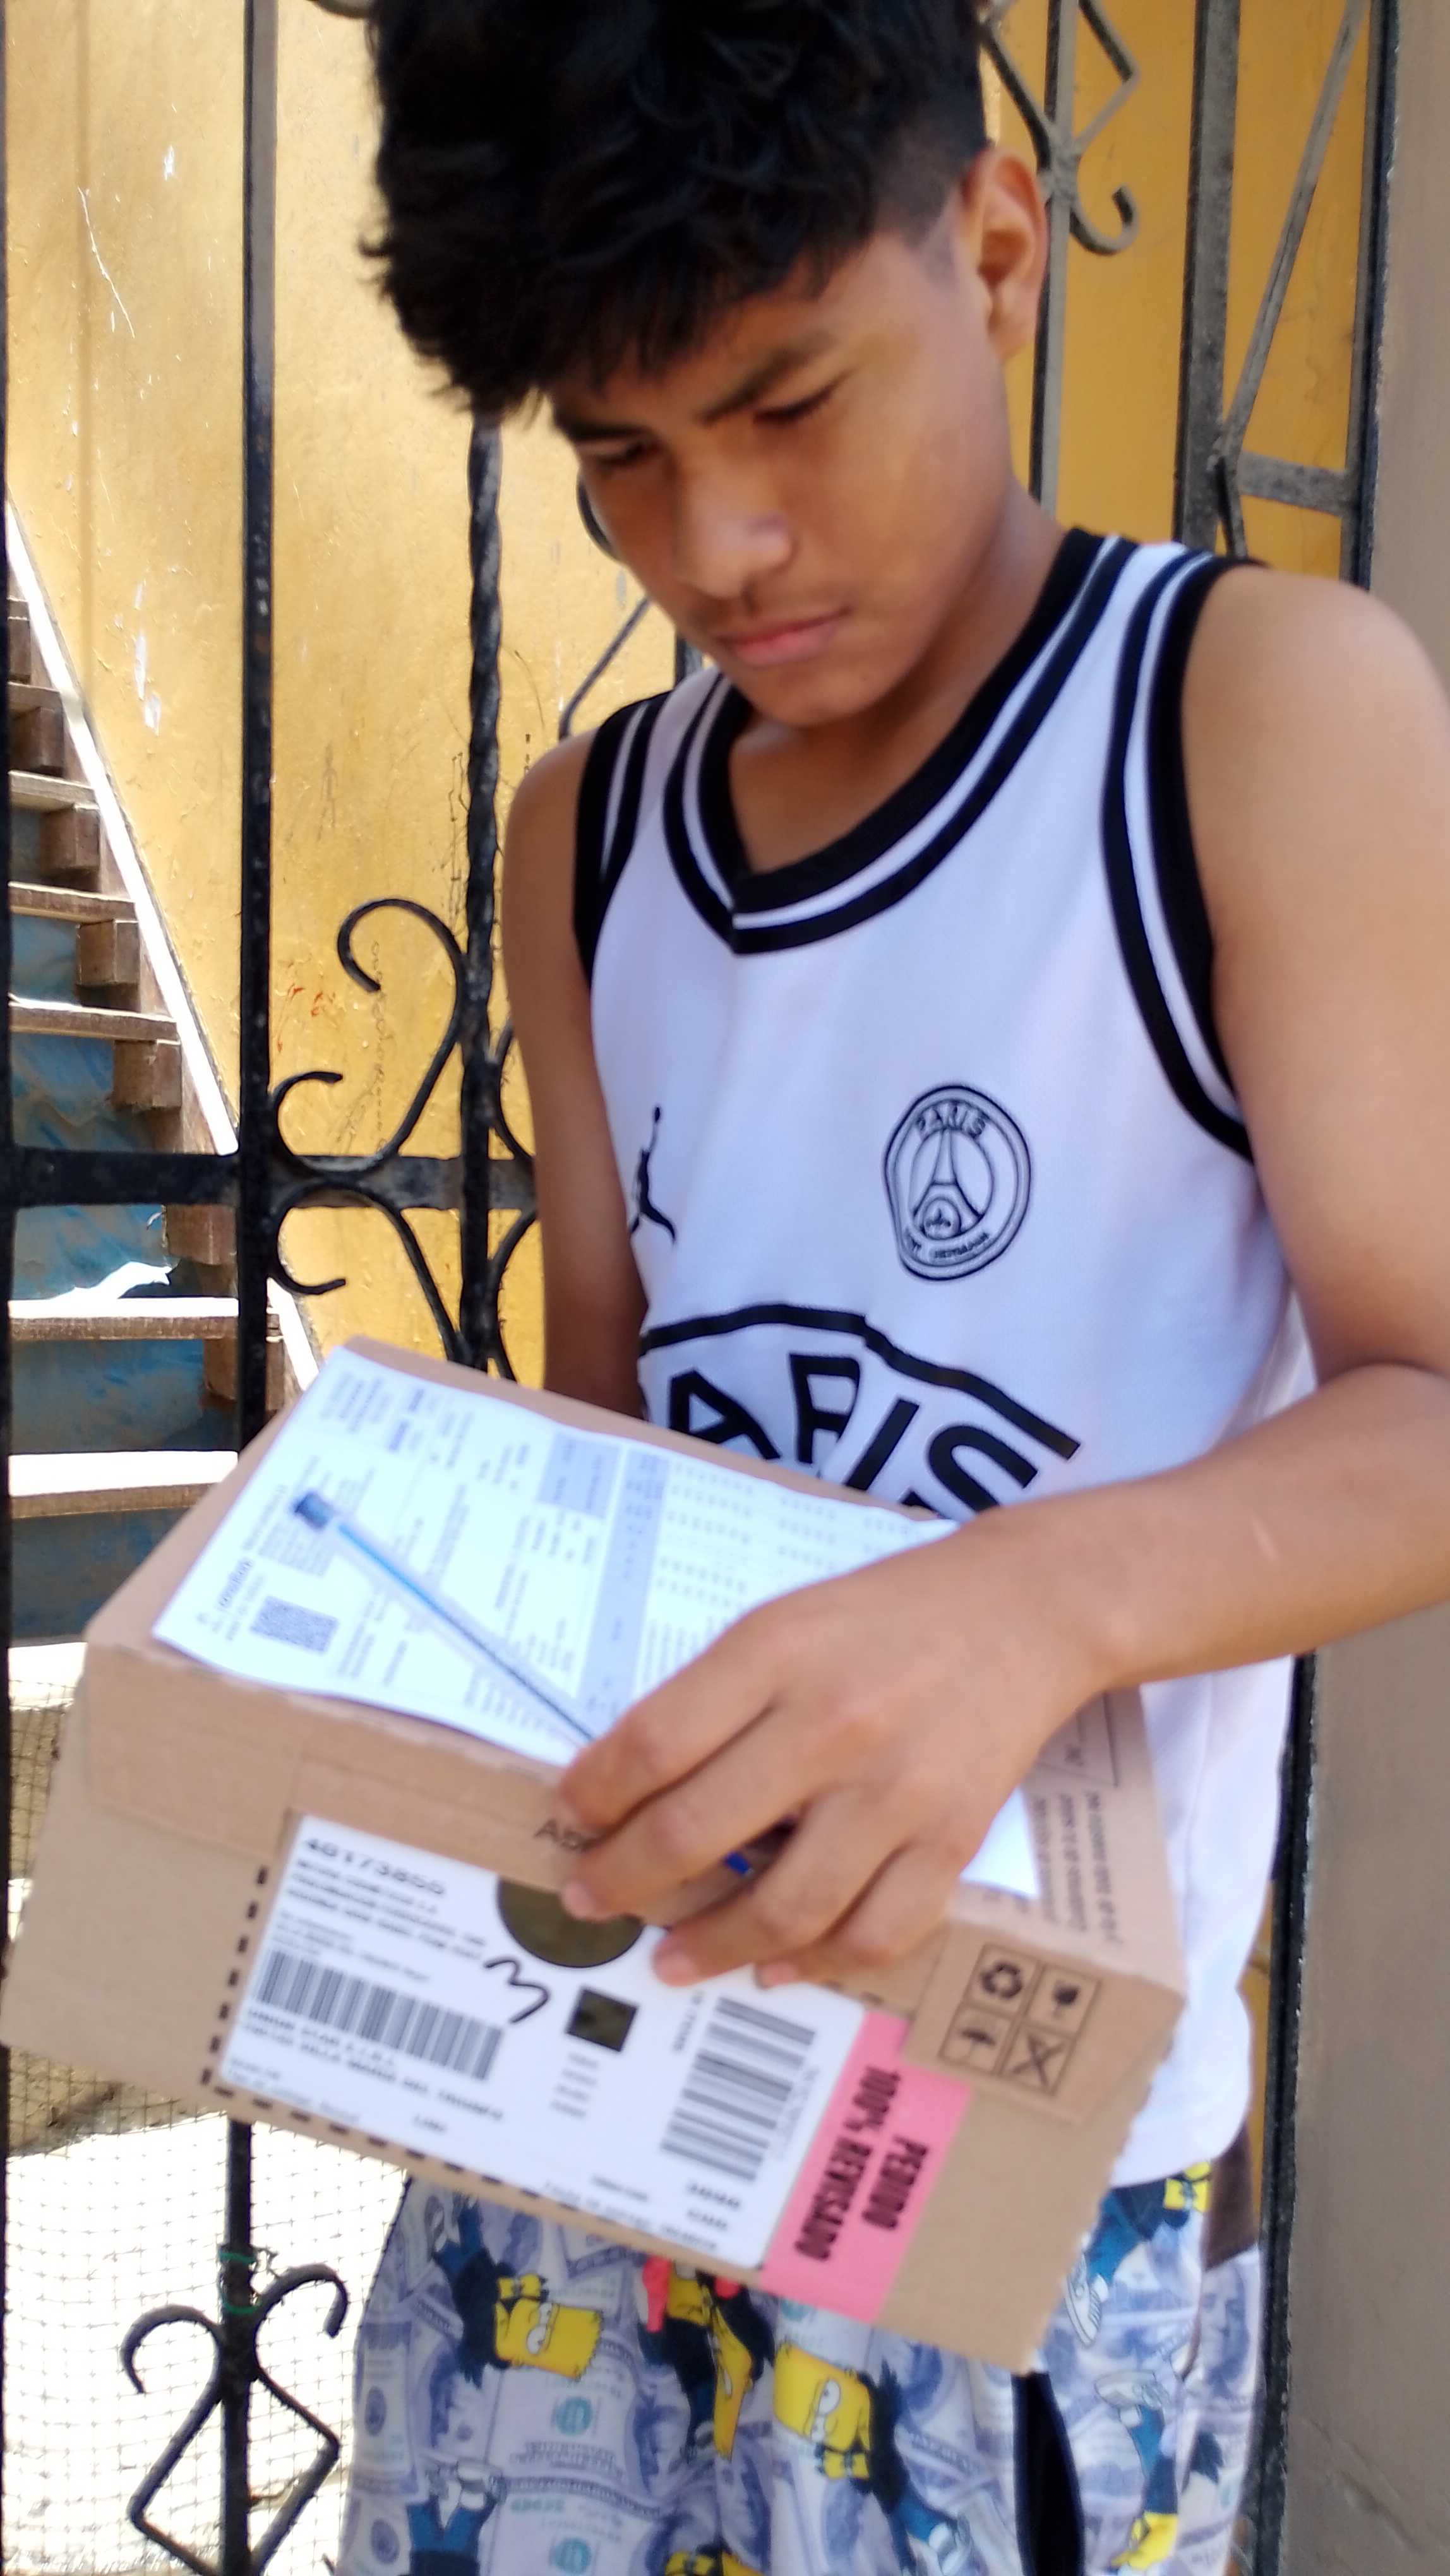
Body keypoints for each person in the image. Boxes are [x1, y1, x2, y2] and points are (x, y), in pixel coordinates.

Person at [345, 3, 1450, 2569]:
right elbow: (611, 1443)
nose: (714, 545)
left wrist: (1029, 1607)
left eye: (787, 402)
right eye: (618, 454)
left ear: (995, 245)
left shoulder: (1244, 715)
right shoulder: (587, 841)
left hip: (1012, 2188)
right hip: (588, 2123)